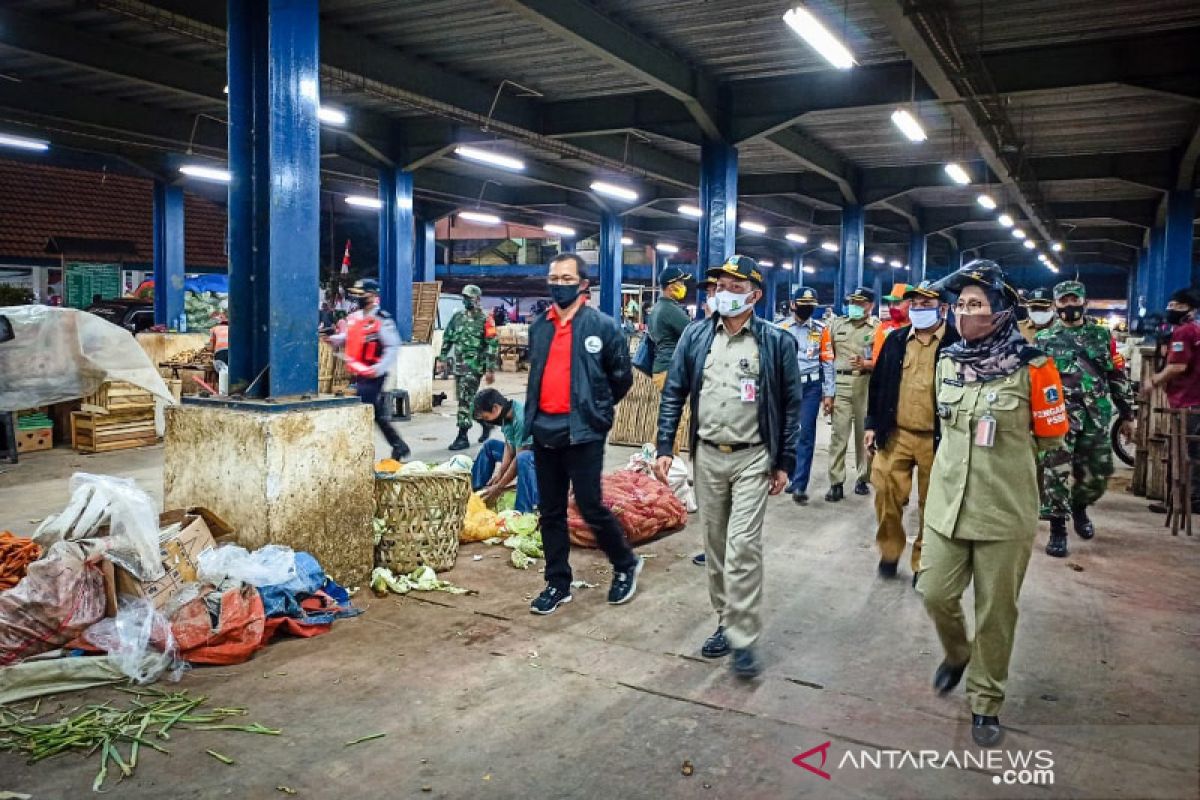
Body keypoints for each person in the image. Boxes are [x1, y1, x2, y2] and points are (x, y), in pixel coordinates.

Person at [919, 261, 1068, 747]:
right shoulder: (949, 361)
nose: (966, 314)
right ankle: (957, 654)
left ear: (1001, 311)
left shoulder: (1036, 366)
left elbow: (1052, 437)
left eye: (976, 305)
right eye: (960, 305)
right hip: (946, 504)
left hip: (1003, 510)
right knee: (934, 593)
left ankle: (985, 700)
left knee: (995, 612)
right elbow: (947, 429)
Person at [655, 255, 801, 679]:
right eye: (718, 286)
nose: (723, 294)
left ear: (755, 296)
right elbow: (674, 392)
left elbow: (791, 405)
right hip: (707, 455)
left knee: (741, 547)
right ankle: (725, 618)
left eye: (734, 288)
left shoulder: (775, 342)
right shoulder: (696, 336)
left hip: (754, 455)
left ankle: (742, 635)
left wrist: (784, 460)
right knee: (716, 547)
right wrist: (667, 443)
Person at [525, 253, 642, 615]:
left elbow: (621, 377)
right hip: (544, 429)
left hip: (584, 431)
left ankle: (625, 563)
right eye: (553, 278)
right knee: (551, 512)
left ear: (582, 284)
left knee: (590, 505)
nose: (558, 284)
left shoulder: (603, 327)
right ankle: (557, 582)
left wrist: (598, 410)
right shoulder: (539, 326)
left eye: (565, 278)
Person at [864, 282, 959, 585]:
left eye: (925, 304)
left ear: (942, 309)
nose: (917, 309)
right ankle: (890, 551)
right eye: (914, 304)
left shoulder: (957, 345)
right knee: (886, 496)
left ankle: (923, 564)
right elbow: (877, 385)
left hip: (938, 439)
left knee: (933, 507)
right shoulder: (895, 340)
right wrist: (871, 425)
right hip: (896, 434)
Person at [1036, 280, 1135, 557]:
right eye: (1064, 301)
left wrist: (1127, 414)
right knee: (1055, 474)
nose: (1070, 305)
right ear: (1056, 305)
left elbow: (1116, 375)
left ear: (1084, 302)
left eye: (1074, 300)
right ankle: (1058, 529)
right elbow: (1033, 381)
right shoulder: (1044, 340)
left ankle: (1080, 506)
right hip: (1057, 418)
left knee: (1097, 474)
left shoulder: (1101, 337)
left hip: (1095, 416)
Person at [333, 278, 411, 461]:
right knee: (373, 411)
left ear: (373, 295)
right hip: (360, 372)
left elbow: (393, 345)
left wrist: (378, 368)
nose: (358, 297)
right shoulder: (357, 317)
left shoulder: (381, 319)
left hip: (374, 373)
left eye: (363, 293)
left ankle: (365, 449)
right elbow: (350, 336)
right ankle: (398, 445)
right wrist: (334, 338)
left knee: (365, 408)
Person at [821, 287, 880, 500]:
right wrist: (828, 392)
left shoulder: (877, 329)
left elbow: (882, 362)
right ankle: (836, 482)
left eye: (861, 303)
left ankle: (863, 478)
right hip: (841, 383)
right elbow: (827, 359)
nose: (855, 306)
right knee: (839, 434)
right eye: (853, 302)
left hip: (866, 383)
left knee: (864, 435)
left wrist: (866, 364)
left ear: (871, 306)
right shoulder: (836, 325)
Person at [1146, 288, 1200, 512]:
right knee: (1192, 451)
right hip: (1192, 399)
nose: (1171, 310)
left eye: (1178, 306)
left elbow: (1178, 366)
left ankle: (1182, 501)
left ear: (1190, 309)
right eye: (1171, 305)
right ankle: (1185, 499)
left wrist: (1154, 380)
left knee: (1182, 452)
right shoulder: (1193, 330)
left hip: (1188, 401)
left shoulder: (1185, 332)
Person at [778, 287, 833, 505]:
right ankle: (787, 474)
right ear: (793, 305)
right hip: (785, 387)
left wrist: (829, 393)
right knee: (784, 432)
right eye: (802, 304)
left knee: (806, 434)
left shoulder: (821, 330)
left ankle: (800, 484)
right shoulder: (780, 328)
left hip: (811, 388)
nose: (807, 308)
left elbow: (827, 361)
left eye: (811, 305)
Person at [437, 285, 499, 451]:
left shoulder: (486, 319)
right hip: (458, 366)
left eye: (468, 297)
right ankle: (486, 423)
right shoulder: (458, 317)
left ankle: (462, 436)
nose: (465, 300)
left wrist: (490, 369)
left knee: (464, 401)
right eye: (464, 297)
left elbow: (492, 345)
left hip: (474, 367)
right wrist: (442, 358)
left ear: (477, 299)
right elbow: (448, 337)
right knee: (464, 400)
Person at [471, 387, 538, 514]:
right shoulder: (506, 414)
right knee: (490, 446)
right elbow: (509, 446)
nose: (486, 421)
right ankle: (476, 492)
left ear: (495, 408)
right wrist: (500, 474)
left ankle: (523, 511)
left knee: (523, 459)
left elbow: (518, 459)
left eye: (486, 417)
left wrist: (499, 487)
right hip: (520, 454)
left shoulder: (521, 419)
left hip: (537, 460)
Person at [647, 266, 694, 390]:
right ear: (670, 286)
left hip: (661, 369)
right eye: (681, 282)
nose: (684, 286)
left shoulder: (656, 308)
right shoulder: (670, 310)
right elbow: (693, 335)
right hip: (671, 370)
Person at [867, 283, 913, 366]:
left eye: (896, 303)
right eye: (890, 304)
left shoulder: (920, 328)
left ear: (911, 303)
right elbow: (877, 359)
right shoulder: (884, 328)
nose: (891, 307)